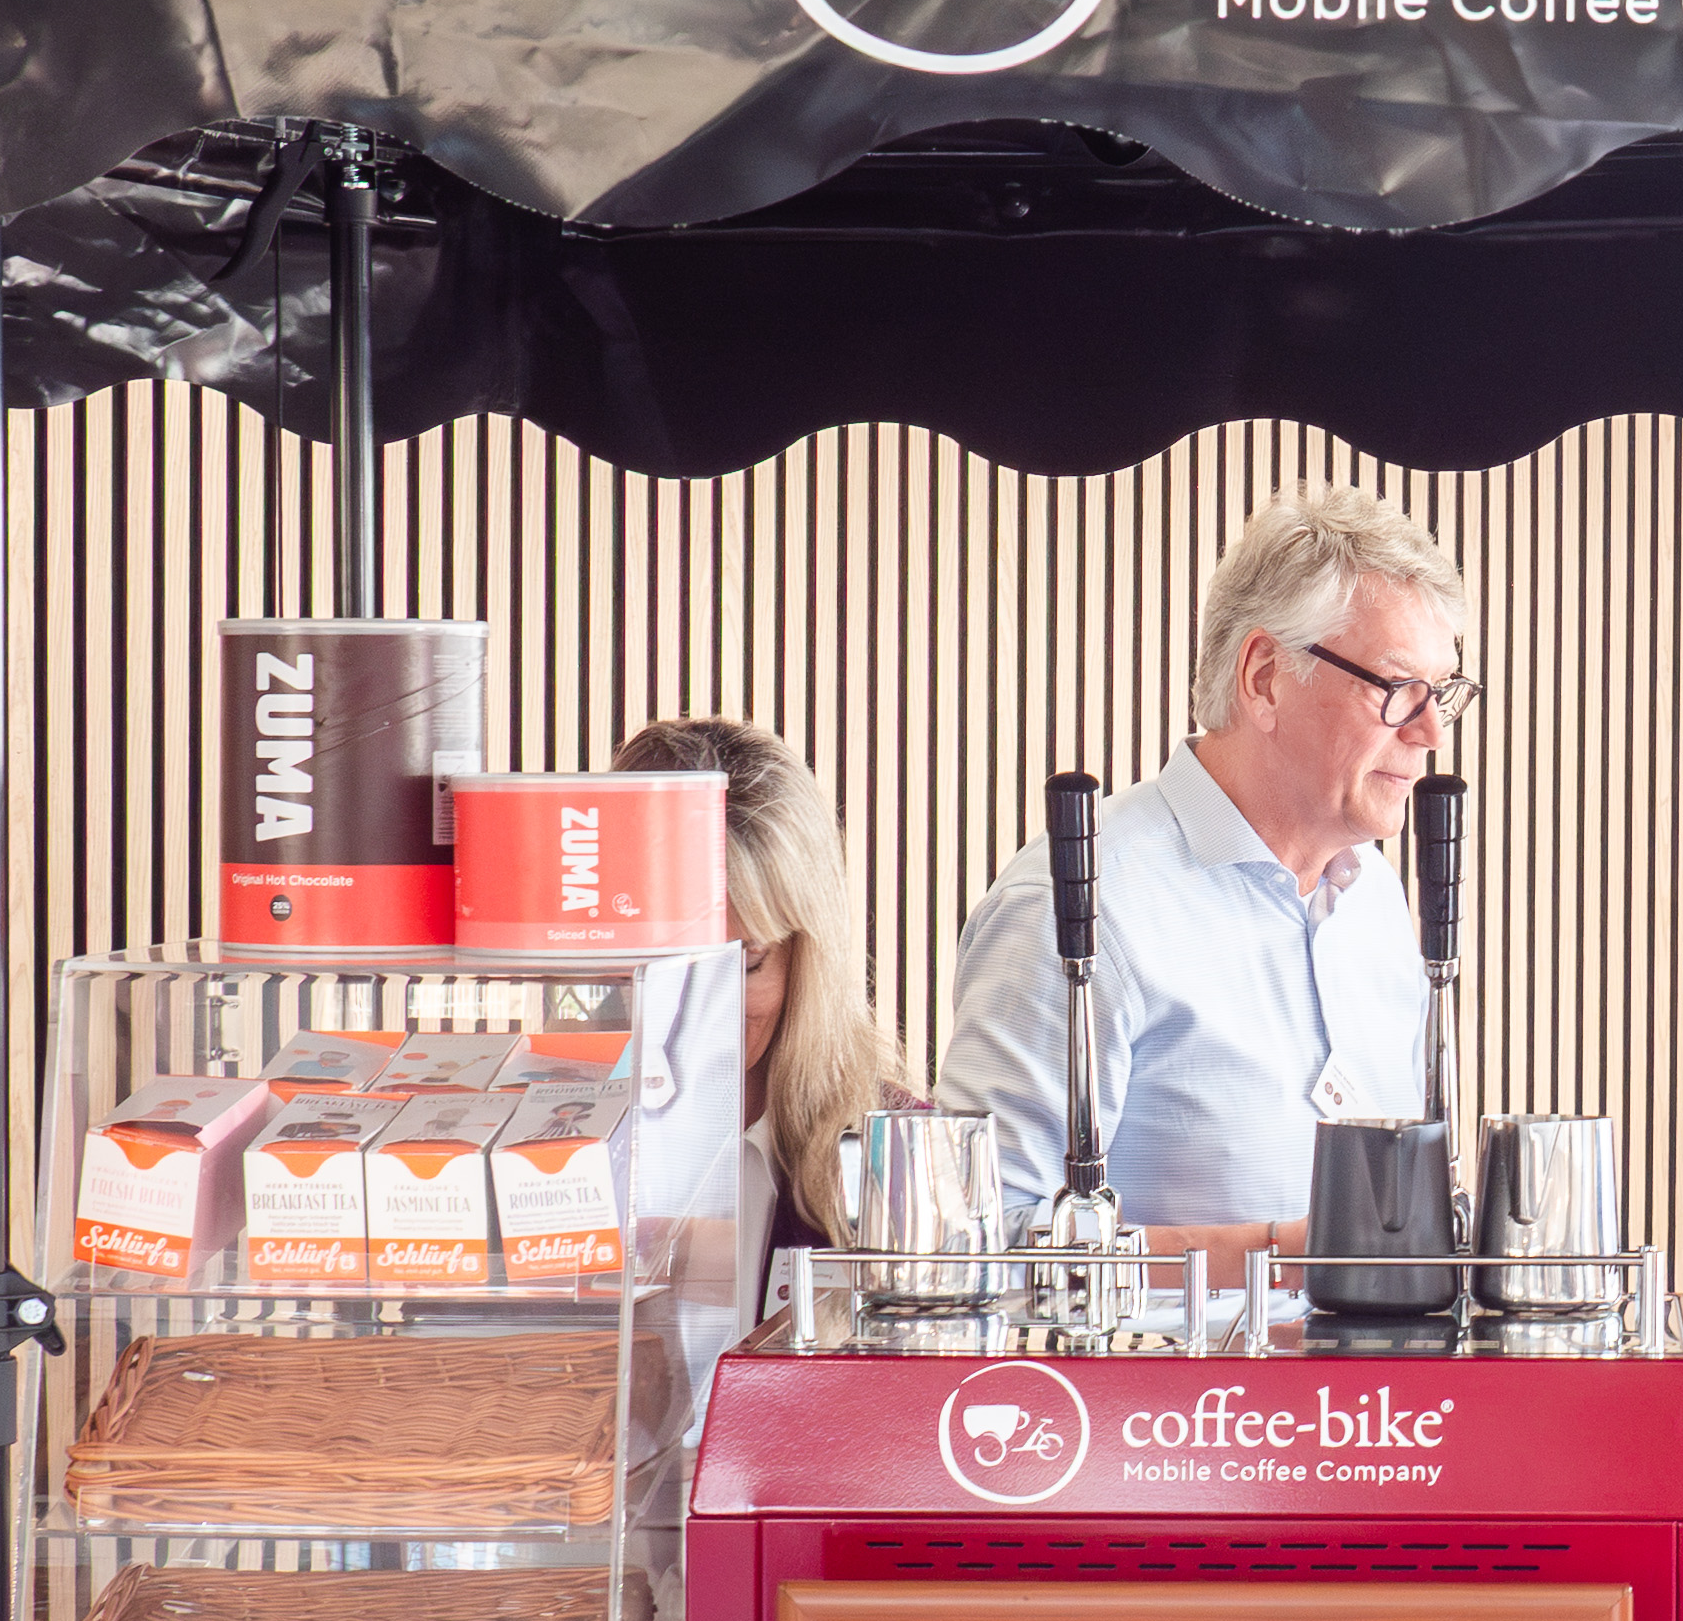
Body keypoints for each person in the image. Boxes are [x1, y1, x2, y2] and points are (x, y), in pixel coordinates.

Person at [939, 484, 1467, 1251]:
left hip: (1369, 1376)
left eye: (1443, 695)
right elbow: (972, 1240)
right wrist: (1286, 1255)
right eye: (1397, 690)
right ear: (1263, 677)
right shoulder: (1080, 905)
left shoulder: (1378, 899)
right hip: (1148, 1375)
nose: (1430, 734)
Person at [612, 715, 919, 1323]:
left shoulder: (895, 1154)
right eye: (660, 965)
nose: (698, 1010)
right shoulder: (544, 1141)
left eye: (746, 965)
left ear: (806, 961)